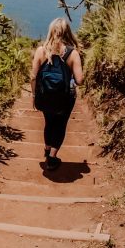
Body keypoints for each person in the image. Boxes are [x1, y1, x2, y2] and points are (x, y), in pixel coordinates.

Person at [30, 17, 84, 170]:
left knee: (49, 122)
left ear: (51, 31)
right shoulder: (72, 53)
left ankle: (47, 149)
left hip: (45, 96)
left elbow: (33, 77)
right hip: (64, 99)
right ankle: (52, 158)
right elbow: (79, 80)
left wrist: (34, 96)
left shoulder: (41, 51)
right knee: (60, 125)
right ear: (68, 32)